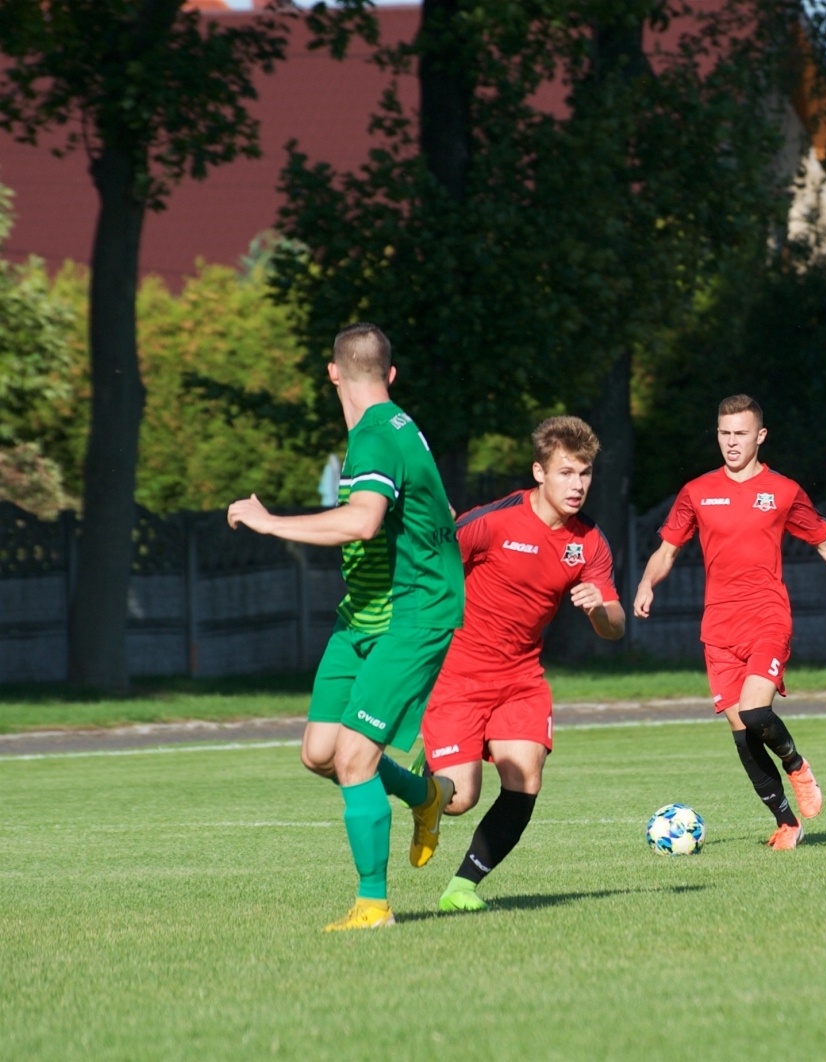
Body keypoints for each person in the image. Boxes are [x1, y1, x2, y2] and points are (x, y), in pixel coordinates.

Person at [227, 323, 463, 932]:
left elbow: (361, 522)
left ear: (332, 372)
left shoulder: (377, 439)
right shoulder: (394, 428)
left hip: (412, 611)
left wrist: (270, 522)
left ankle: (373, 906)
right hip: (365, 609)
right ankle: (425, 796)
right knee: (320, 754)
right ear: (389, 373)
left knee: (355, 759)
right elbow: (438, 511)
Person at [633, 394, 826, 849]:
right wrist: (646, 584)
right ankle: (787, 823)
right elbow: (668, 549)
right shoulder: (697, 491)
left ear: (760, 436)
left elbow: (824, 543)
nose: (731, 442)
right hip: (718, 628)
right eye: (724, 433)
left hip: (767, 617)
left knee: (758, 711)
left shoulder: (783, 491)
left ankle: (797, 767)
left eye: (740, 433)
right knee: (742, 734)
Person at [421, 416, 625, 912]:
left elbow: (615, 627)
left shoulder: (590, 541)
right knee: (460, 799)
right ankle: (421, 785)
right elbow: (433, 567)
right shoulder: (494, 520)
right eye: (565, 473)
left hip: (521, 679)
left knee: (526, 776)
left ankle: (462, 886)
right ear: (539, 472)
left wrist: (600, 607)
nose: (577, 486)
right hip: (459, 675)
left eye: (585, 474)